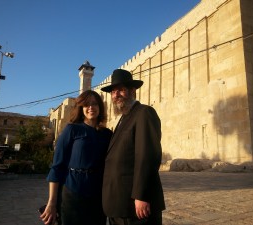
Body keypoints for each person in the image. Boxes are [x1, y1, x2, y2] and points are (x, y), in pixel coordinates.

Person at [101, 69, 165, 225]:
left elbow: (147, 157)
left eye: (121, 90)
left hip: (134, 206)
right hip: (119, 204)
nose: (116, 95)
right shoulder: (124, 119)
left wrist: (141, 195)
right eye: (113, 91)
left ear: (132, 91)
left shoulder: (144, 113)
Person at [40, 90, 113, 225]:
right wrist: (52, 202)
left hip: (97, 196)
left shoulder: (107, 134)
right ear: (81, 108)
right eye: (87, 105)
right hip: (72, 193)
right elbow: (57, 166)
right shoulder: (72, 129)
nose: (91, 107)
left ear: (100, 107)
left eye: (95, 104)